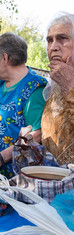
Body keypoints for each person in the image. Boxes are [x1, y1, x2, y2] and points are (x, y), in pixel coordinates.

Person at [0, 33, 47, 178]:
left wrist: (2, 157)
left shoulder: (34, 89)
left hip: (15, 175)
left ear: (5, 58)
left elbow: (36, 134)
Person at [41, 12, 74, 165]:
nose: (53, 47)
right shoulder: (53, 83)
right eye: (49, 40)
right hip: (54, 181)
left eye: (63, 39)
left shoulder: (67, 81)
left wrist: (70, 86)